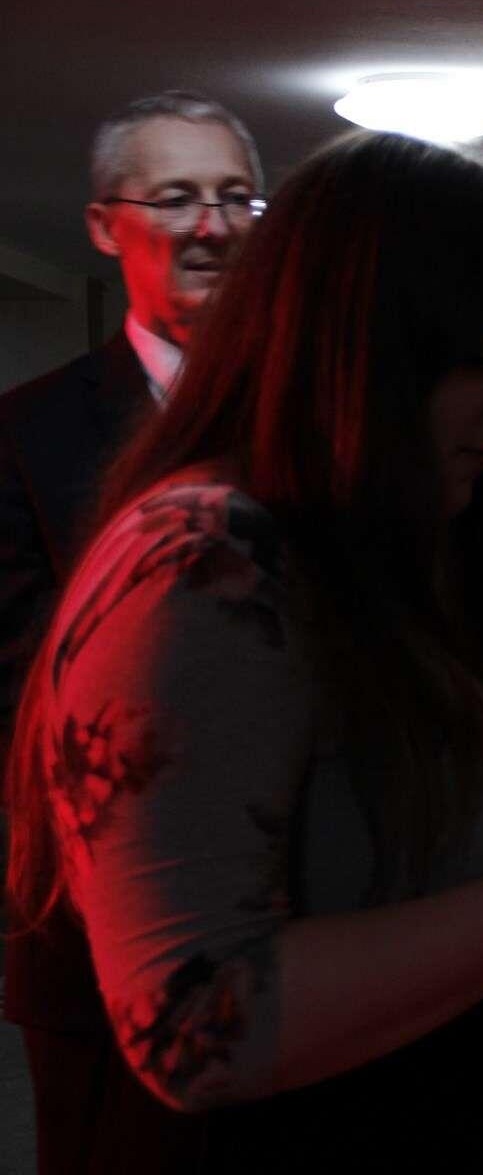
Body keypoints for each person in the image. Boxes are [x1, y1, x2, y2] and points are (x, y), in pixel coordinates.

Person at [3, 129, 483, 1171]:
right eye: (478, 358)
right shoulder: (205, 560)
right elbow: (198, 1024)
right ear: (349, 345)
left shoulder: (379, 559)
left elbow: (382, 864)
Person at [0, 89, 267, 1171]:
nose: (212, 225)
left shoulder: (328, 419)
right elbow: (20, 691)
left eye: (236, 197)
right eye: (176, 198)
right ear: (107, 226)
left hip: (316, 927)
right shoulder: (23, 433)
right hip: (102, 927)